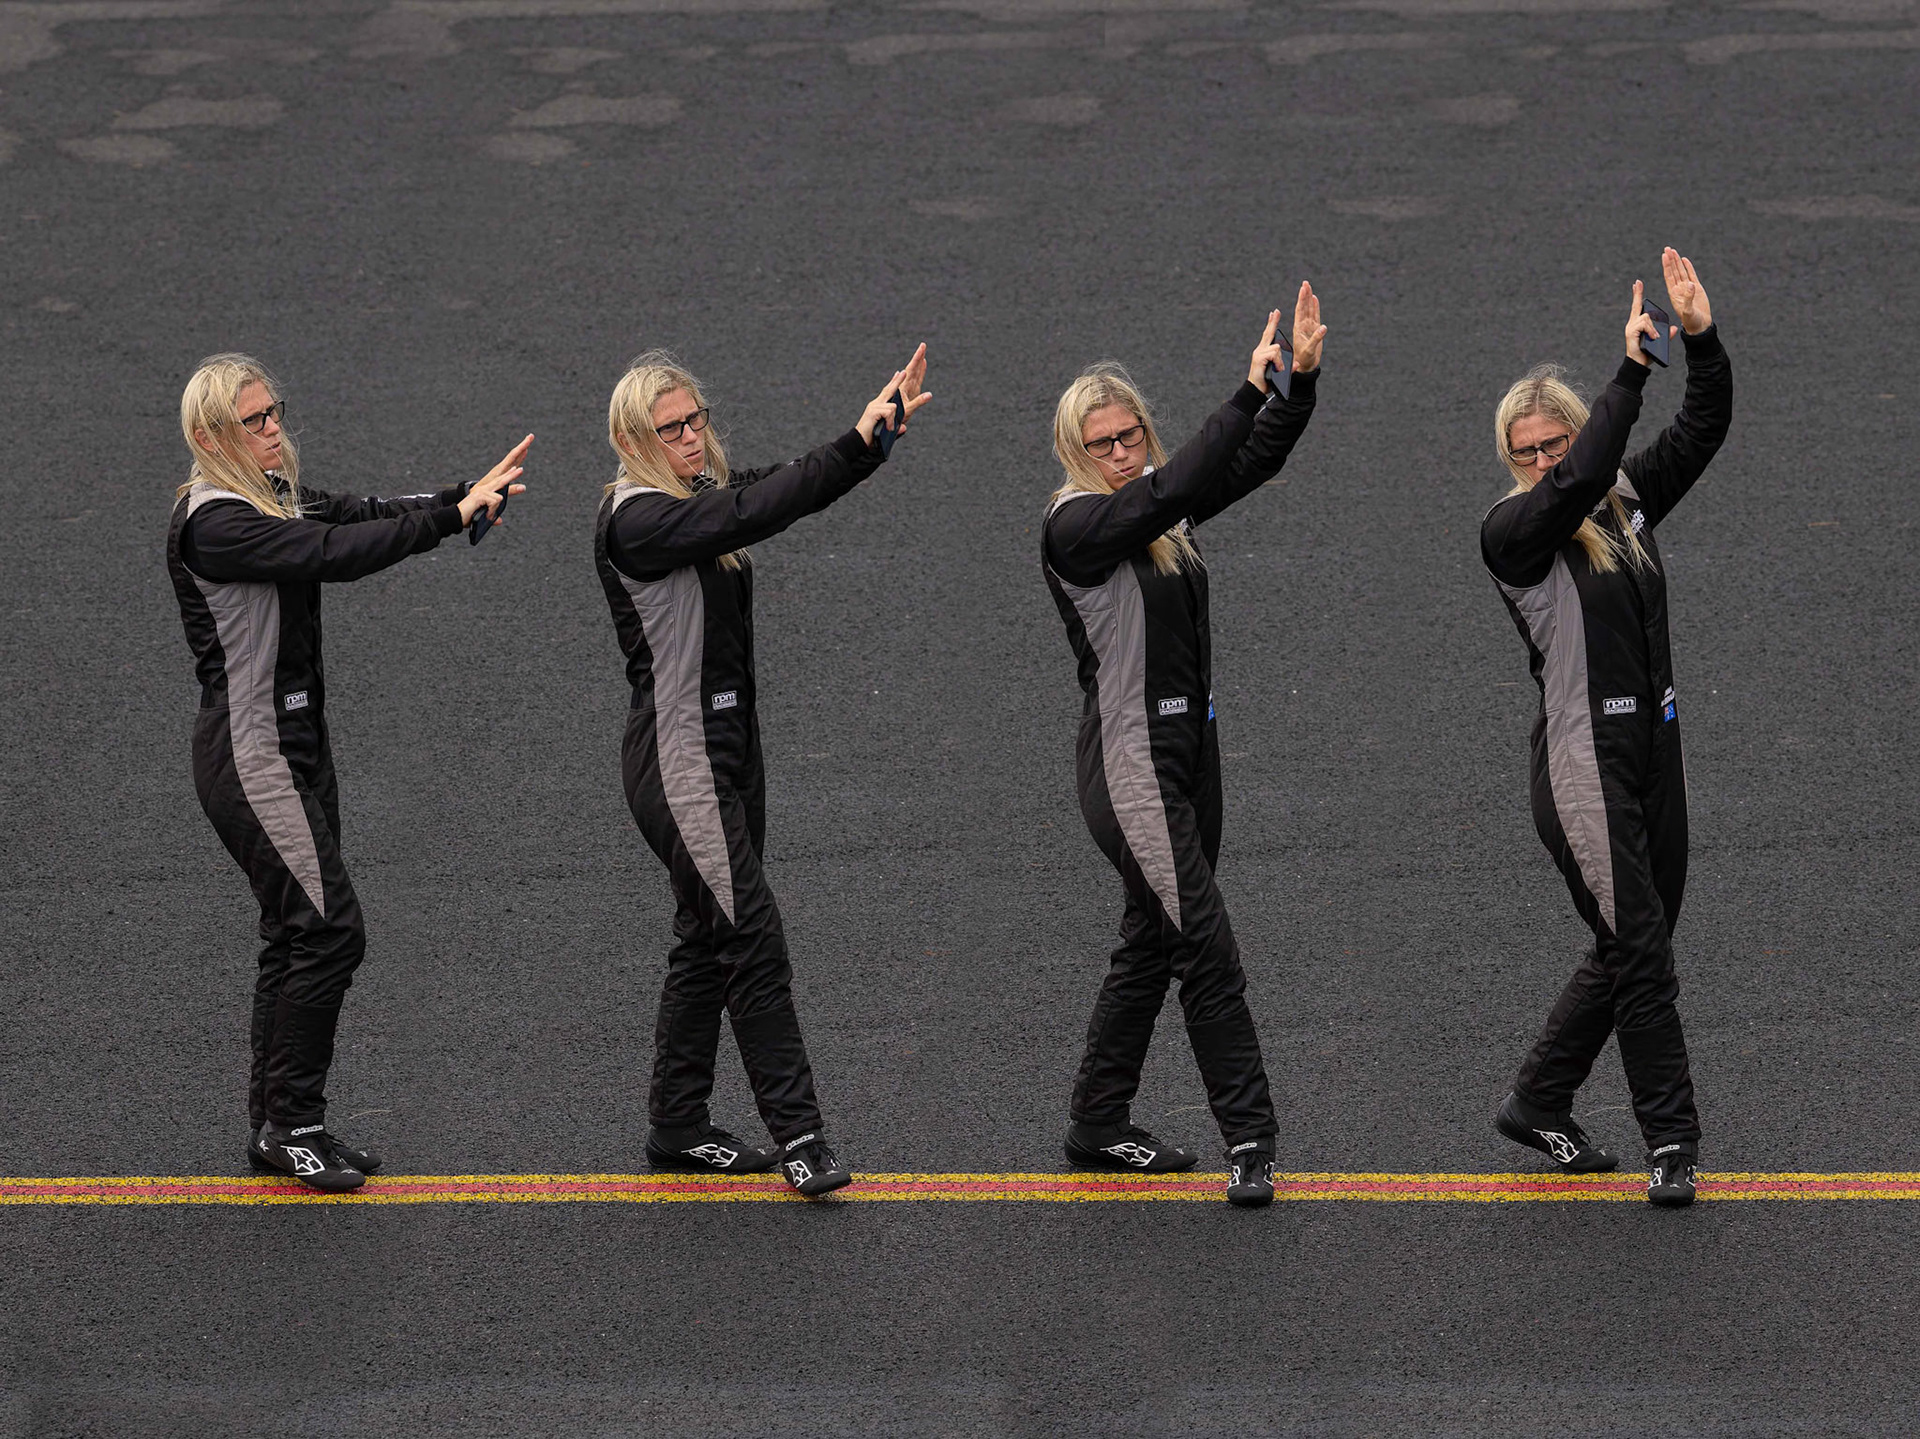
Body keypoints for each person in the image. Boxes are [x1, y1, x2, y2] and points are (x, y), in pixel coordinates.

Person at [167, 353, 529, 1192]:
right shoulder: (215, 523)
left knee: (293, 931)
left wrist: (458, 498)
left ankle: (279, 1124)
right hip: (251, 756)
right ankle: (294, 1122)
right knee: (331, 929)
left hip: (295, 750)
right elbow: (338, 551)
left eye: (272, 412)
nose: (272, 428)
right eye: (252, 420)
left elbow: (362, 512)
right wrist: (450, 520)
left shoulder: (271, 495)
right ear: (209, 436)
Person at [594, 346, 930, 1197]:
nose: (690, 438)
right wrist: (855, 446)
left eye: (695, 420)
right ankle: (802, 1135)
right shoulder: (639, 519)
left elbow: (772, 484)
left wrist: (868, 440)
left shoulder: (697, 497)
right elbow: (757, 509)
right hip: (679, 762)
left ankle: (677, 1120)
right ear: (634, 439)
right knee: (751, 935)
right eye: (669, 428)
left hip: (731, 751)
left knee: (708, 937)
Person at [1041, 288, 1326, 1207]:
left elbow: (1239, 464)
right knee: (1204, 941)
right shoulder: (1076, 527)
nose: (1123, 453)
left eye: (1132, 436)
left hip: (1190, 759)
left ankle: (1097, 1119)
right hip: (1130, 768)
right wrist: (1243, 394)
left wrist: (1299, 385)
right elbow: (1177, 482)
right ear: (1075, 454)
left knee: (1155, 938)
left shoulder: (1165, 512)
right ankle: (1251, 1138)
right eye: (1104, 444)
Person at [1480, 250, 1731, 1207]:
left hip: (1654, 753)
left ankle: (1540, 1097)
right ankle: (1673, 1141)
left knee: (1638, 933)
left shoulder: (1623, 499)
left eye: (1558, 444)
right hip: (1582, 766)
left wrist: (1698, 340)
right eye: (1530, 450)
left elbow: (1702, 428)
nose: (1547, 461)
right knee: (1643, 949)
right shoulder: (1514, 531)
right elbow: (1578, 482)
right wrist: (1627, 374)